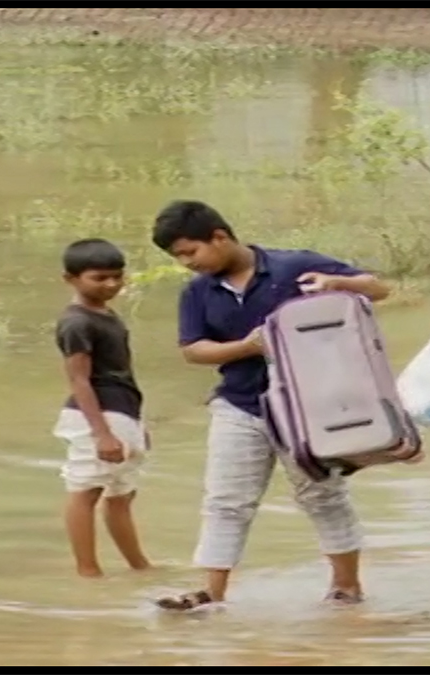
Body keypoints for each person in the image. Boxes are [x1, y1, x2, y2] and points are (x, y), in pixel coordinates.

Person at [149, 199, 406, 612]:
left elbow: (379, 289)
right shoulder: (198, 292)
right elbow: (194, 350)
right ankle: (211, 593)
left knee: (322, 495)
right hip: (239, 405)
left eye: (190, 252)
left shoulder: (294, 267)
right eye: (178, 257)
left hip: (309, 407)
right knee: (225, 501)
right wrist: (247, 347)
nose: (187, 263)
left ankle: (346, 587)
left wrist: (336, 283)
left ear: (219, 236)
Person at [51, 238, 152, 578]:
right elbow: (79, 379)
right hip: (97, 414)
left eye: (117, 276)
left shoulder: (104, 314)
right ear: (71, 279)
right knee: (86, 491)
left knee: (121, 494)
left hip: (121, 411)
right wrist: (101, 433)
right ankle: (88, 572)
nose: (111, 284)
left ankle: (139, 567)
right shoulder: (76, 322)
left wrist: (136, 425)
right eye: (99, 278)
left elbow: (122, 372)